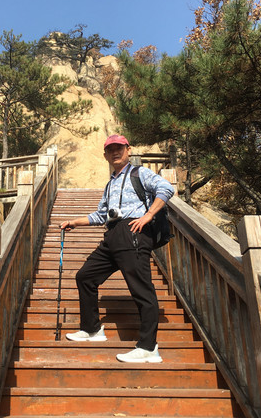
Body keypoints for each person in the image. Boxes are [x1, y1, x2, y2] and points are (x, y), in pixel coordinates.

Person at [59, 134, 175, 363]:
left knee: (141, 289)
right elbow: (101, 215)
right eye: (110, 149)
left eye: (119, 148)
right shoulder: (110, 183)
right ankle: (92, 329)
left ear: (128, 149)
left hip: (133, 233)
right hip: (112, 236)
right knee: (85, 276)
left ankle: (148, 348)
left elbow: (166, 188)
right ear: (105, 155)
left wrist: (148, 215)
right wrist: (75, 222)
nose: (115, 152)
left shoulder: (140, 173)